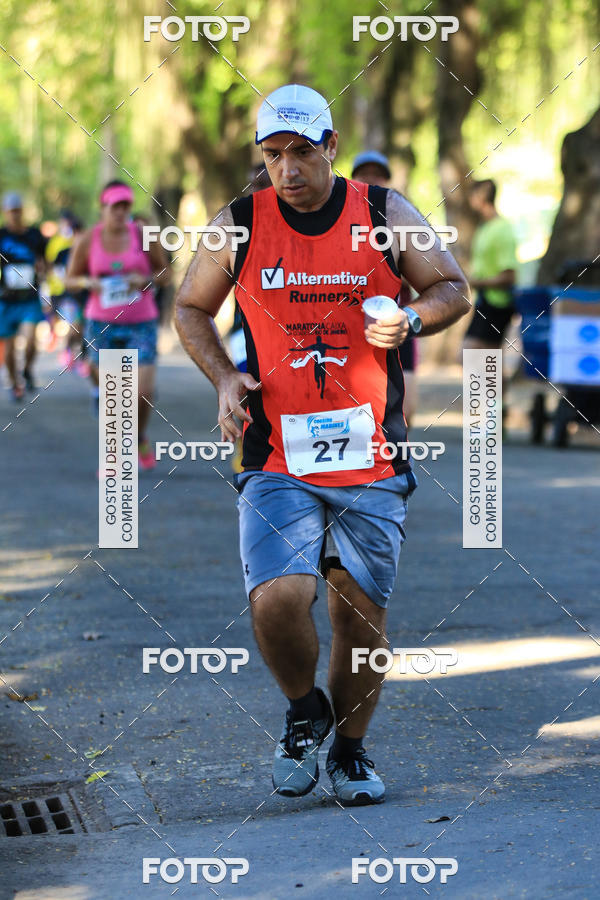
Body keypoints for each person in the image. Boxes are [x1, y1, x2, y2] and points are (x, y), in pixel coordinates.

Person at [176, 84, 470, 804]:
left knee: (357, 614)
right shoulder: (240, 224)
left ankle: (351, 751)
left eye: (302, 152)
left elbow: (454, 290)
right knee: (280, 598)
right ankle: (305, 712)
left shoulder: (384, 212)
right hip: (274, 447)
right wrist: (222, 378)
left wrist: (410, 317)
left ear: (332, 147)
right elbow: (189, 307)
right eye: (272, 155)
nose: (287, 169)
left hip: (370, 451)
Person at [65, 181, 171, 469]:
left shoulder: (142, 235)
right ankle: (114, 453)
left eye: (126, 206)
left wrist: (146, 279)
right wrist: (91, 282)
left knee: (143, 392)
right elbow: (69, 278)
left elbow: (165, 273)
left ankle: (137, 437)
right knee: (114, 393)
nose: (121, 212)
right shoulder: (88, 239)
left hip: (141, 322)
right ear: (103, 208)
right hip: (101, 324)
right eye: (115, 207)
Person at [352, 151, 418, 426]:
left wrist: (389, 273)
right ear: (354, 177)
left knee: (407, 410)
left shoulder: (402, 214)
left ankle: (397, 458)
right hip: (353, 324)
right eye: (364, 173)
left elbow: (423, 275)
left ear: (387, 178)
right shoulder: (341, 216)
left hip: (397, 322)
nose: (371, 179)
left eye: (377, 174)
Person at [0, 192, 47, 401]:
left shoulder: (35, 235)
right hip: (6, 299)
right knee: (8, 349)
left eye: (18, 210)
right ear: (5, 212)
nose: (15, 215)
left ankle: (27, 369)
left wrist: (43, 268)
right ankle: (14, 383)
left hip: (29, 297)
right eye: (11, 211)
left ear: (23, 211)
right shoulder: (1, 235)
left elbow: (46, 263)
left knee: (30, 340)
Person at [45, 210, 88, 374]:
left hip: (86, 298)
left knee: (83, 328)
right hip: (67, 296)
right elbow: (54, 271)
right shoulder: (63, 252)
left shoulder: (89, 253)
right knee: (74, 326)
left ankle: (83, 358)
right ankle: (69, 352)